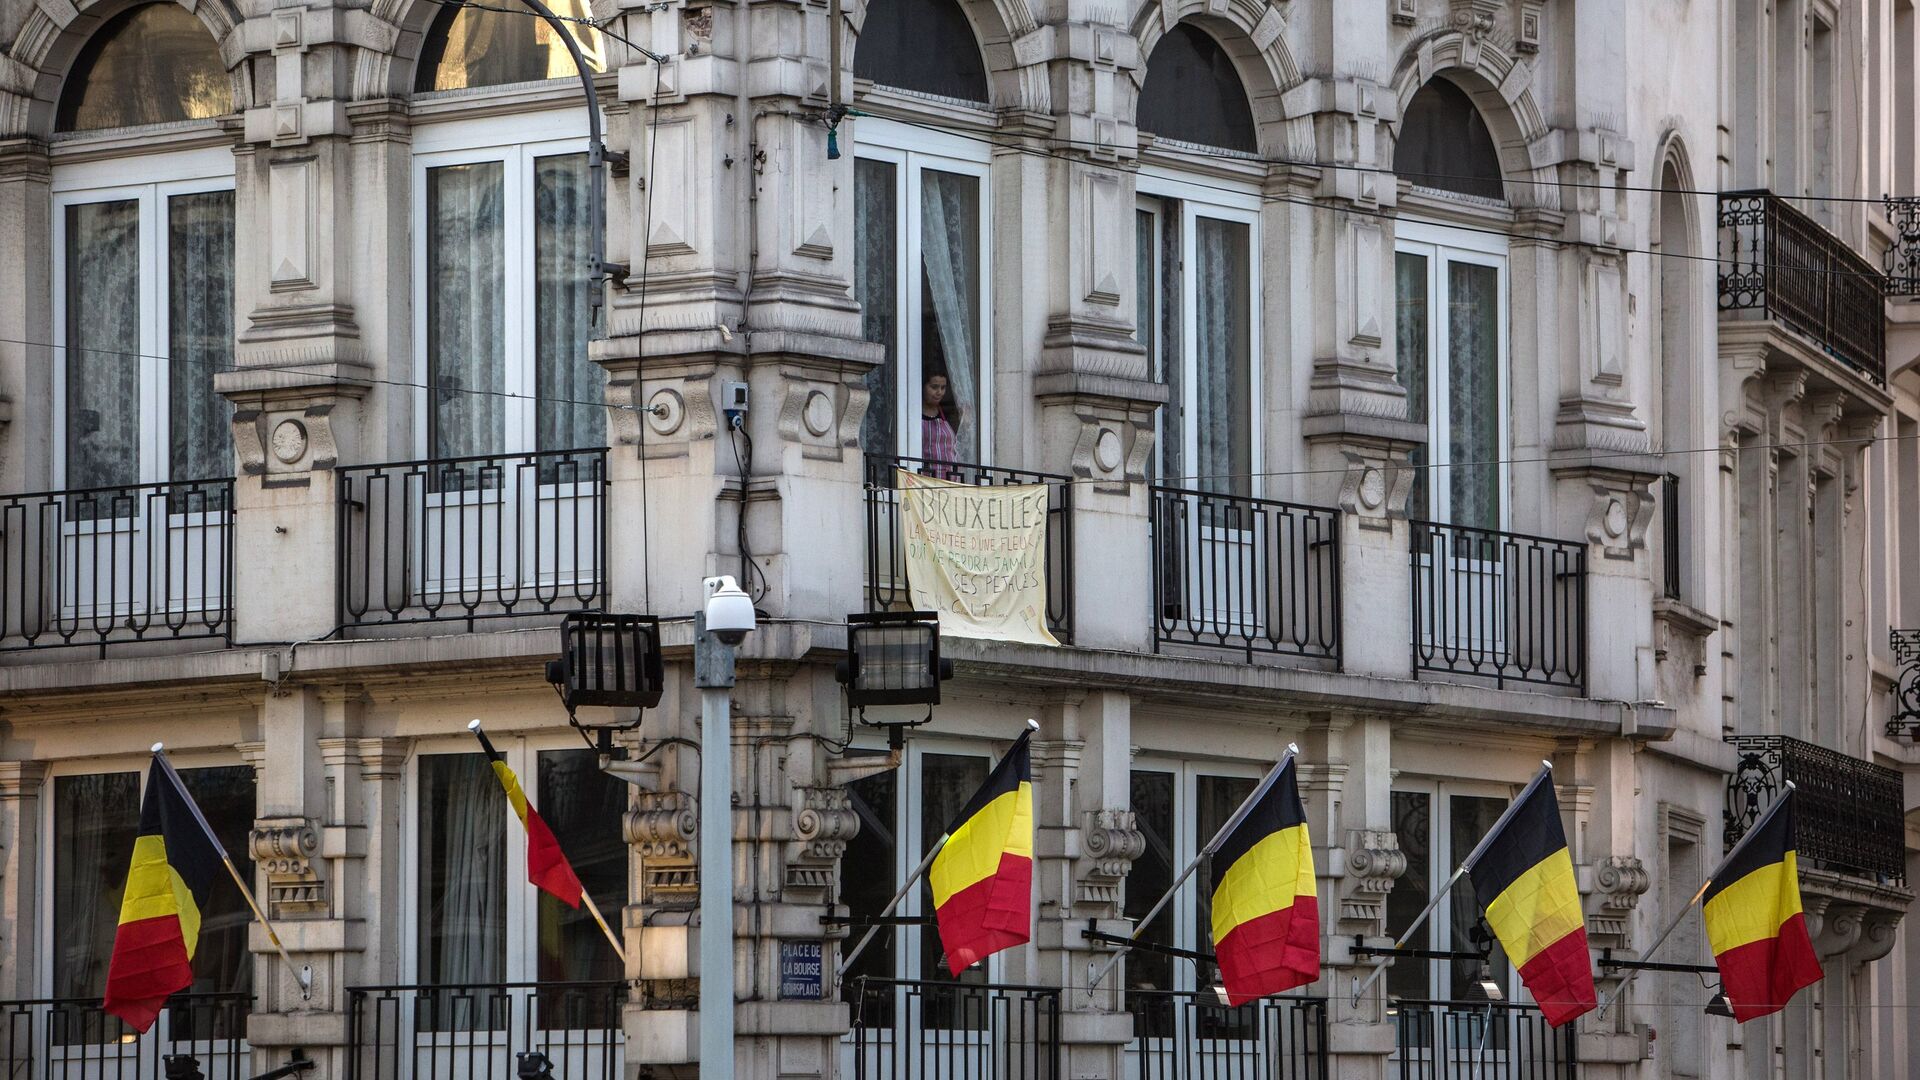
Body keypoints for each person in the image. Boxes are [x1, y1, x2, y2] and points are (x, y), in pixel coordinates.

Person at [921, 372, 961, 478]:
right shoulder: (912, 418)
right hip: (924, 480)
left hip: (950, 480)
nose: (939, 392)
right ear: (923, 387)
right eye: (934, 387)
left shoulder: (948, 414)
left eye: (943, 388)